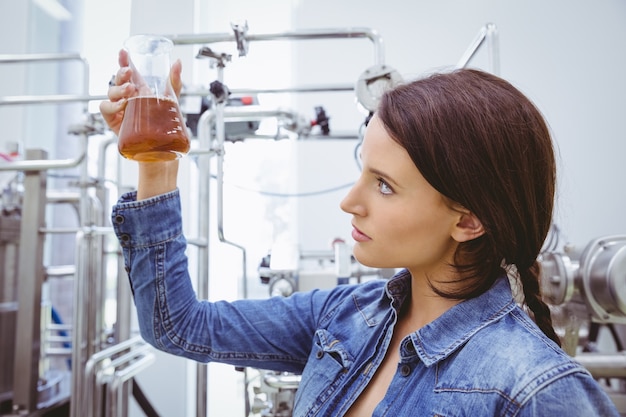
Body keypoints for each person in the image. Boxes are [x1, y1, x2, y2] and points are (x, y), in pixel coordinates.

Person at [101, 49, 620, 416]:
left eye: (385, 186)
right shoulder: (344, 318)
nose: (350, 202)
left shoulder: (536, 391)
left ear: (467, 220)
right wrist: (157, 161)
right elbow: (179, 327)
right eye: (362, 172)